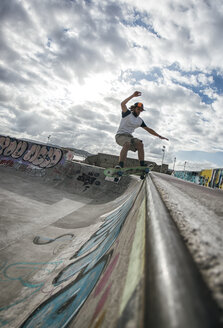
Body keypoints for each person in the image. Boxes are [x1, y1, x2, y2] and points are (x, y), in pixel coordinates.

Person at [115, 91, 169, 168]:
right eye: (138, 109)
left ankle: (142, 166)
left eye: (141, 110)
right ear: (134, 108)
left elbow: (149, 129)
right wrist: (133, 96)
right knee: (127, 143)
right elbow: (122, 104)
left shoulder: (139, 120)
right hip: (120, 136)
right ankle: (120, 165)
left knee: (140, 144)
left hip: (129, 137)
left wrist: (159, 136)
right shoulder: (127, 113)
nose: (139, 111)